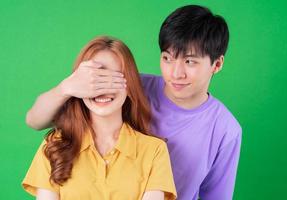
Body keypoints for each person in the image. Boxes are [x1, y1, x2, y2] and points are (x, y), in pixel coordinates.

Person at [25, 5, 242, 200]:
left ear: (217, 64)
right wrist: (67, 87)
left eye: (190, 61)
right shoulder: (129, 85)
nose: (176, 73)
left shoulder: (226, 130)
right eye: (167, 58)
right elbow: (35, 120)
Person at [22, 36, 177, 200]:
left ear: (129, 84)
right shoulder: (54, 146)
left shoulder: (154, 151)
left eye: (114, 78)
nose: (103, 89)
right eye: (95, 78)